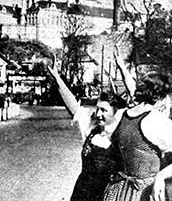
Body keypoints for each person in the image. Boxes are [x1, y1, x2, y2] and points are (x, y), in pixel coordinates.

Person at [48, 66, 127, 201]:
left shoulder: (120, 135)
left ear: (116, 113)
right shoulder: (91, 128)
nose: (98, 114)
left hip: (106, 194)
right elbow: (74, 107)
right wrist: (57, 78)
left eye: (104, 110)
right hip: (82, 191)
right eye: (97, 109)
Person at [102, 72, 172, 201]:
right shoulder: (157, 120)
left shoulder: (121, 115)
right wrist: (162, 176)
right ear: (161, 96)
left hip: (117, 190)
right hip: (145, 191)